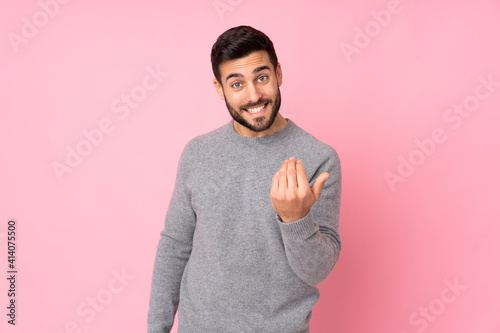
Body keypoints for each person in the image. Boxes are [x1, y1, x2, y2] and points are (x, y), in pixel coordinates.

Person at [147, 25, 342, 333]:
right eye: (237, 83)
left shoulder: (318, 158)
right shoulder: (198, 154)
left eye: (262, 77)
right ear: (219, 88)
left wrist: (295, 220)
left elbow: (317, 271)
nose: (253, 96)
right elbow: (175, 245)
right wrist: (156, 328)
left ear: (278, 74)